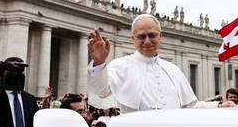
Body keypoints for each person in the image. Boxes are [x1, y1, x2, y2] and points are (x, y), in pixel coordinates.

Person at [87, 14, 228, 113]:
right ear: (133, 39)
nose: (147, 41)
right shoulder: (120, 66)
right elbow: (100, 91)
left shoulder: (174, 70)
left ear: (160, 36)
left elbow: (191, 107)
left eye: (152, 35)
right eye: (141, 36)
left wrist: (218, 106)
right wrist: (99, 62)